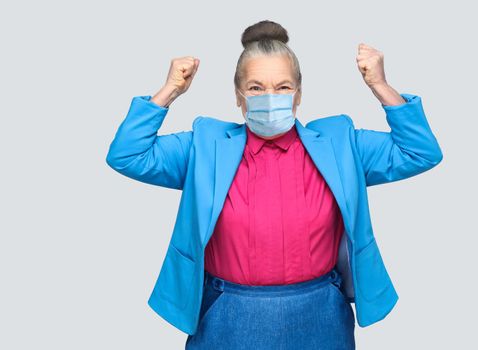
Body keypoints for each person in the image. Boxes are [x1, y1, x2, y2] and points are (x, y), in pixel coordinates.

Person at [106, 20, 443, 350]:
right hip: (227, 315)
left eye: (283, 87)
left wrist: (381, 86)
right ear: (238, 97)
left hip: (320, 315)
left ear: (298, 95)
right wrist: (169, 92)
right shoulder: (204, 147)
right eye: (255, 88)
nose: (270, 97)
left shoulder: (340, 144)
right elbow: (128, 156)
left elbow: (419, 153)